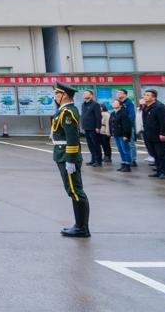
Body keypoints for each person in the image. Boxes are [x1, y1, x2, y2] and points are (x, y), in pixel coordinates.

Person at [50, 82, 88, 238]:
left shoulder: (68, 113)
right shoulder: (63, 111)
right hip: (62, 154)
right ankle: (79, 225)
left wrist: (70, 160)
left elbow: (72, 138)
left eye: (56, 94)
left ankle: (82, 228)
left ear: (64, 95)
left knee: (75, 191)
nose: (55, 97)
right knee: (72, 190)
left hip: (67, 154)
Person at [140, 89, 165, 179]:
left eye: (148, 95)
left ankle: (164, 171)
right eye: (144, 95)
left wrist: (162, 133)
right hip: (148, 134)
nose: (145, 97)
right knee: (154, 154)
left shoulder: (159, 106)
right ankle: (158, 170)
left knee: (161, 154)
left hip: (158, 134)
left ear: (154, 97)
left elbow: (163, 121)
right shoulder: (145, 106)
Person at [80, 90, 103, 167]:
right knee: (90, 145)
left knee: (96, 144)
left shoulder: (95, 104)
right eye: (84, 93)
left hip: (93, 128)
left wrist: (98, 127)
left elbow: (98, 116)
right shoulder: (83, 104)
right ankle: (93, 159)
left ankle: (98, 161)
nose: (85, 94)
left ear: (91, 95)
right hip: (86, 127)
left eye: (87, 93)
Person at [115, 89, 137, 168]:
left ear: (125, 95)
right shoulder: (119, 103)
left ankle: (133, 160)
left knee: (130, 143)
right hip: (120, 128)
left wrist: (127, 124)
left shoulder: (129, 103)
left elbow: (131, 115)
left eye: (120, 93)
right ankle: (126, 160)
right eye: (117, 92)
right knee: (122, 146)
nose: (118, 94)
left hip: (127, 126)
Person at [108, 99, 132, 171]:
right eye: (113, 103)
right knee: (120, 150)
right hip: (116, 134)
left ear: (120, 105)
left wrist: (126, 135)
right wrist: (111, 133)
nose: (114, 104)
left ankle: (128, 165)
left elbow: (127, 125)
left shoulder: (123, 113)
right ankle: (123, 163)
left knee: (125, 150)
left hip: (122, 135)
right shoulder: (113, 113)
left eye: (116, 103)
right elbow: (111, 124)